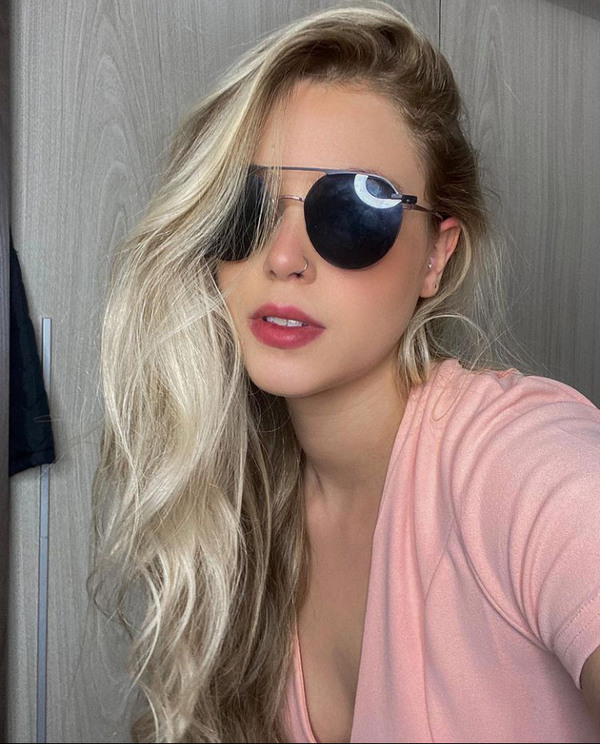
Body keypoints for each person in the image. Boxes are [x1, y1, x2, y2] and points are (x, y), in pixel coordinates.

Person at [88, 2, 600, 742]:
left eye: (353, 210)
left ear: (435, 257)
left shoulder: (515, 460)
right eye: (246, 207)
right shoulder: (248, 513)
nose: (283, 258)